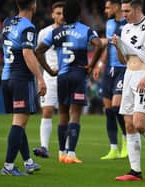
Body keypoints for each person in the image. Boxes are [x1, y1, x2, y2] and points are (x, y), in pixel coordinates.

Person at [36, 0, 102, 164]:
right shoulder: (86, 30)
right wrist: (91, 65)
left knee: (63, 114)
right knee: (75, 115)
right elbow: (99, 45)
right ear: (79, 14)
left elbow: (38, 51)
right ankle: (71, 153)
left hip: (62, 76)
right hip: (78, 75)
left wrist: (50, 70)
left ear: (64, 15)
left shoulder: (56, 32)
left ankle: (61, 153)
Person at [111, 0, 145, 181]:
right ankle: (135, 171)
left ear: (137, 8)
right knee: (128, 124)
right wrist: (117, 46)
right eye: (123, 11)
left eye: (127, 11)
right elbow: (123, 60)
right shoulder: (125, 29)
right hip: (129, 75)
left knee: (140, 124)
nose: (124, 14)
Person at [0, 0, 46, 176]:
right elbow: (27, 53)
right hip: (21, 79)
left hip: (6, 78)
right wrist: (40, 78)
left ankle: (28, 162)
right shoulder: (29, 27)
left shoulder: (7, 23)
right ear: (34, 5)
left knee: (19, 122)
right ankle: (9, 166)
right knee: (19, 124)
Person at [93, 0, 127, 160]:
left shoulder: (128, 24)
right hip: (109, 70)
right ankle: (113, 148)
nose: (105, 10)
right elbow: (108, 47)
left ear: (116, 7)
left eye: (107, 7)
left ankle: (126, 141)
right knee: (108, 110)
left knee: (116, 107)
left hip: (123, 68)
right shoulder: (109, 23)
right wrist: (100, 63)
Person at [33, 1, 65, 158]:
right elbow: (38, 56)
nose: (60, 16)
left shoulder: (71, 31)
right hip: (49, 77)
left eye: (63, 13)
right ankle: (44, 147)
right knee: (47, 111)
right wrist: (41, 79)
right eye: (57, 13)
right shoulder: (44, 33)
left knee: (66, 113)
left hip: (67, 78)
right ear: (52, 15)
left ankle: (64, 150)